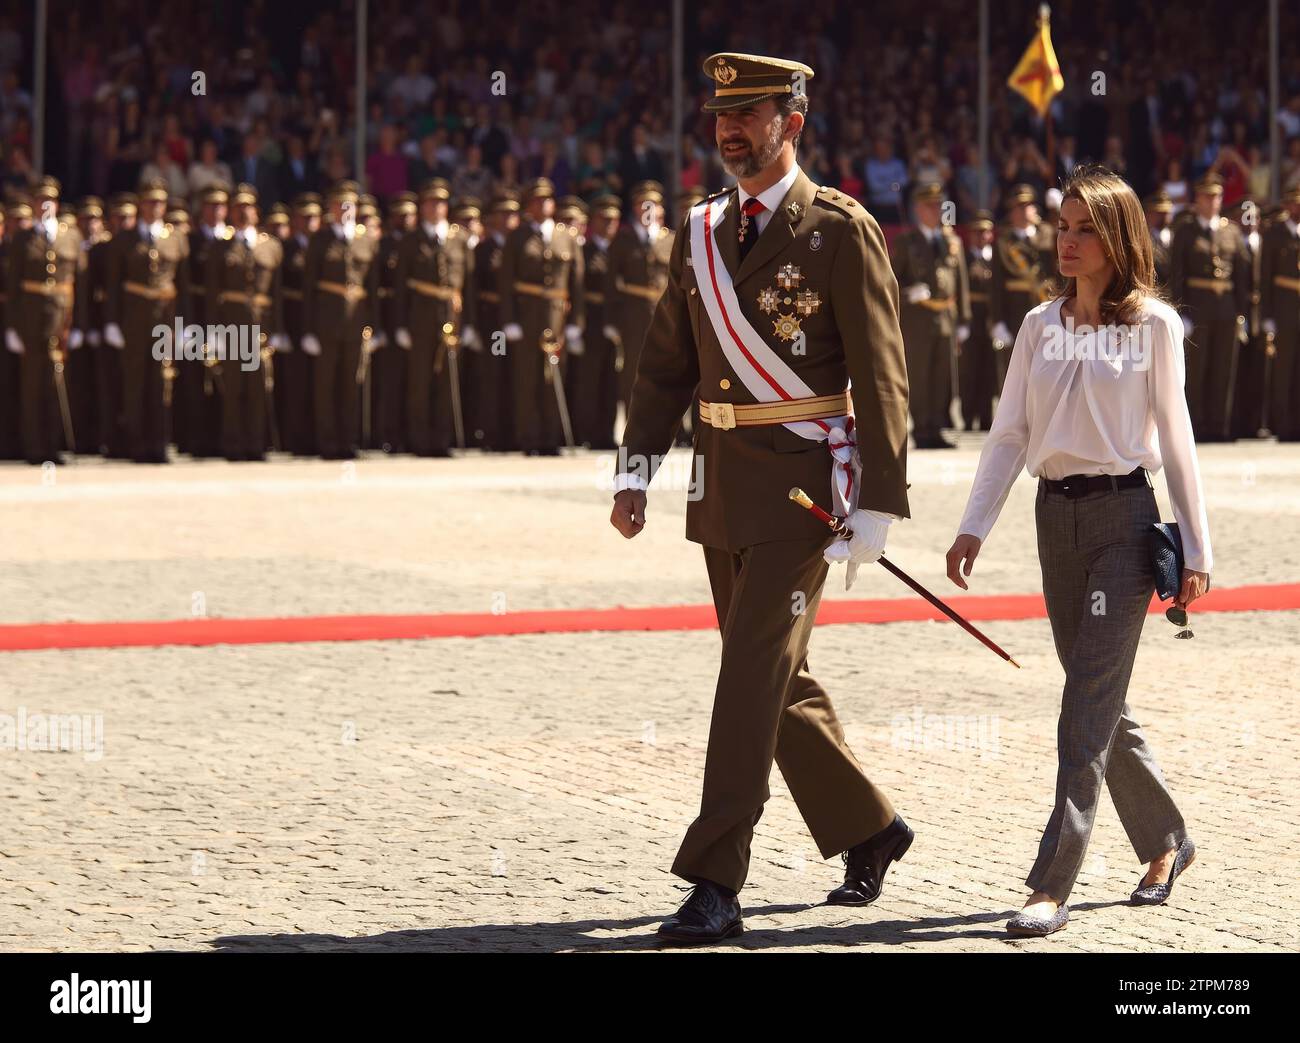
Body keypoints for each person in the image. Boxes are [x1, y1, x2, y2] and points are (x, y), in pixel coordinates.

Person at [610, 52, 914, 944]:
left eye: (749, 114)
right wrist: (636, 466)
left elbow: (883, 377)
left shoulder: (839, 229)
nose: (730, 130)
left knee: (747, 675)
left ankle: (714, 879)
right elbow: (667, 360)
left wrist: (881, 503)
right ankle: (869, 826)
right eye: (720, 117)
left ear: (793, 120)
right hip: (719, 486)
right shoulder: (699, 231)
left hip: (804, 491)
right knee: (774, 679)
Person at [945, 165, 1211, 937]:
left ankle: (1051, 883)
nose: (1067, 240)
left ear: (1117, 236)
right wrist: (973, 522)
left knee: (1083, 707)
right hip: (1051, 518)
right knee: (1099, 697)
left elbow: (1180, 438)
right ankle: (1167, 841)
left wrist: (1197, 544)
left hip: (1126, 522)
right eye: (1062, 226)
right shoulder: (1037, 326)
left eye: (1083, 228)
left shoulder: (1155, 326)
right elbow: (1009, 434)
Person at [1167, 172, 1251, 442]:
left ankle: (1219, 426)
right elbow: (1176, 275)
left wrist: (1243, 314)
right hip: (1198, 307)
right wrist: (1180, 313)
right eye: (1206, 196)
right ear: (1197, 199)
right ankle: (1196, 426)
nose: (1211, 201)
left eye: (1215, 196)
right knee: (1197, 369)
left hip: (1226, 308)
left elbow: (1241, 277)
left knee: (1224, 368)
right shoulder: (1185, 231)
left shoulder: (1232, 231)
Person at [206, 183, 284, 461]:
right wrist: (212, 333)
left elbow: (276, 293)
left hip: (260, 326)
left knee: (258, 385)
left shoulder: (271, 246)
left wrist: (278, 329)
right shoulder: (220, 247)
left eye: (247, 208)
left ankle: (256, 442)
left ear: (256, 212)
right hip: (231, 324)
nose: (243, 213)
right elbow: (213, 293)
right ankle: (234, 443)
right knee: (234, 386)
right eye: (238, 208)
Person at [4, 176, 80, 464]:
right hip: (30, 318)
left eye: (49, 201)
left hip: (62, 317)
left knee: (56, 381)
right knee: (32, 383)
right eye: (40, 201)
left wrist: (78, 324)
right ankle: (33, 446)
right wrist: (12, 326)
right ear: (34, 205)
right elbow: (13, 287)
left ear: (56, 204)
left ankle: (54, 444)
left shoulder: (69, 235)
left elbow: (78, 283)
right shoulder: (23, 238)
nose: (45, 205)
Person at [889, 181, 970, 448]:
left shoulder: (951, 241)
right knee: (920, 375)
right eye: (930, 206)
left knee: (942, 376)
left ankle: (937, 427)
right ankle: (922, 429)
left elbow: (961, 282)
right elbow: (890, 282)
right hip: (918, 319)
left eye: (939, 205)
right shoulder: (907, 241)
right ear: (918, 210)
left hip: (945, 316)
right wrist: (909, 293)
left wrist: (964, 319)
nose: (936, 211)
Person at [1260, 186, 1300, 440]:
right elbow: (1265, 276)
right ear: (1287, 205)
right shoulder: (1275, 233)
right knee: (1283, 370)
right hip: (1283, 309)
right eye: (1295, 204)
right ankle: (1282, 424)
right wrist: (1267, 315)